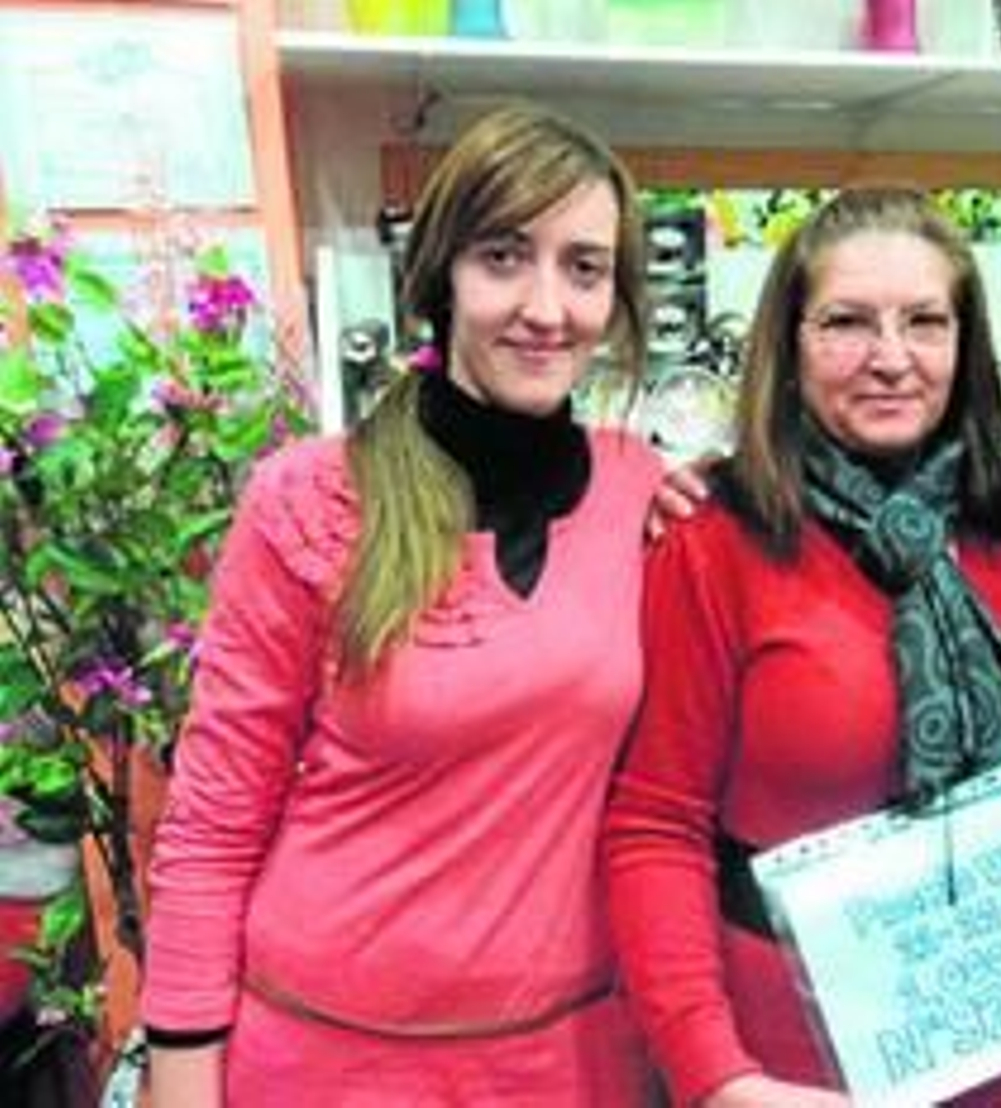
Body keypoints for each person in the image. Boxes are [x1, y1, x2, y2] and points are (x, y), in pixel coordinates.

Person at [603, 186, 1001, 1108]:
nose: (890, 359)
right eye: (845, 323)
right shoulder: (714, 544)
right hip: (786, 1064)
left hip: (987, 1038)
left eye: (924, 322)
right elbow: (653, 825)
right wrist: (717, 1076)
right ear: (788, 348)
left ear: (964, 346)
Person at [140, 104, 662, 1106]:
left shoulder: (645, 495)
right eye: (504, 256)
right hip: (327, 1055)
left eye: (584, 268)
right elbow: (211, 824)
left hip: (572, 1059)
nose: (546, 306)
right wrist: (181, 1072)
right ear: (440, 274)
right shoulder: (308, 499)